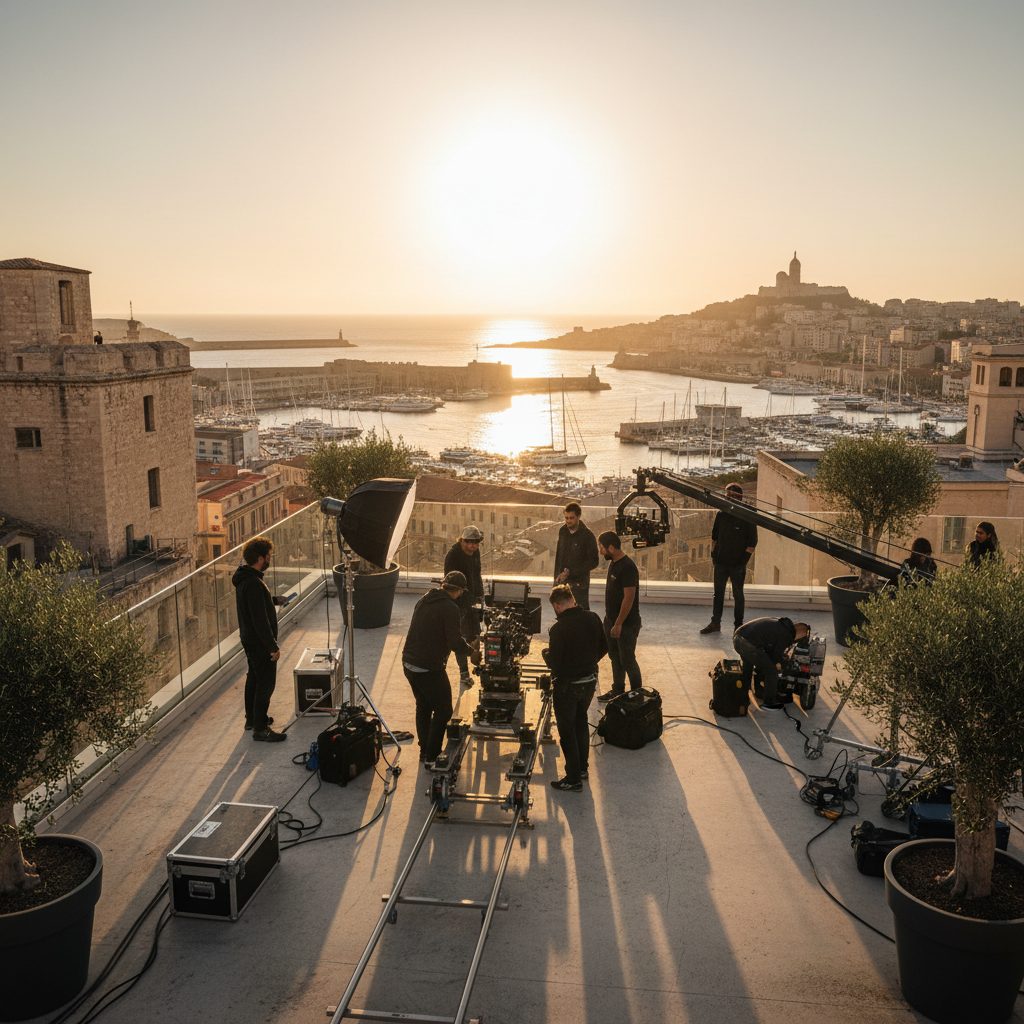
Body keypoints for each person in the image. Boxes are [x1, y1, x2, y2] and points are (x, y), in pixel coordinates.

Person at [402, 571, 479, 763]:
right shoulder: (450, 608)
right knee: (444, 710)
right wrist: (472, 652)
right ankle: (432, 754)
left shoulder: (424, 599)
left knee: (424, 705)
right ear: (459, 591)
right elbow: (454, 642)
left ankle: (424, 751)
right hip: (428, 668)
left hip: (409, 663)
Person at [544, 585, 607, 792]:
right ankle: (582, 769)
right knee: (581, 722)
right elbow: (604, 646)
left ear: (557, 606)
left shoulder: (558, 629)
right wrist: (588, 662)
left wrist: (547, 656)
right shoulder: (593, 618)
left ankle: (572, 778)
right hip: (589, 682)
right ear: (572, 599)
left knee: (567, 730)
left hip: (567, 687)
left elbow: (555, 664)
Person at [232, 536, 289, 742]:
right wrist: (272, 646)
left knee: (254, 678)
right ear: (260, 558)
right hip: (259, 642)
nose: (269, 559)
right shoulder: (254, 583)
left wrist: (273, 600)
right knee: (266, 683)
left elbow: (254, 604)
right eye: (268, 556)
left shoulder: (245, 578)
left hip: (249, 639)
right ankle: (261, 729)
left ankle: (253, 719)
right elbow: (260, 620)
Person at [700, 482, 757, 634]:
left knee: (738, 595)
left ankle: (739, 626)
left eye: (731, 495)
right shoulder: (721, 513)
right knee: (718, 594)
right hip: (721, 562)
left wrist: (742, 562)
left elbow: (752, 543)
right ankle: (715, 623)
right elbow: (714, 536)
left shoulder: (747, 515)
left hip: (737, 564)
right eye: (727, 495)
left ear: (740, 497)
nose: (728, 498)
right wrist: (714, 556)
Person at [596, 531, 643, 703]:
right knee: (615, 657)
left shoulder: (628, 567)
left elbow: (629, 598)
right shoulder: (614, 563)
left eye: (602, 547)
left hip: (626, 624)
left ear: (611, 548)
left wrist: (618, 624)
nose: (600, 551)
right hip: (612, 621)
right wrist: (610, 622)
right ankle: (618, 690)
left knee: (628, 660)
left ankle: (637, 696)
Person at [733, 617, 810, 710]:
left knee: (749, 666)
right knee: (771, 672)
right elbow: (775, 658)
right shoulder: (787, 635)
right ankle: (769, 703)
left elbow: (769, 647)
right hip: (748, 644)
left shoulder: (779, 623)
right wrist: (784, 662)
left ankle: (742, 696)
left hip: (738, 638)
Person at [444, 525, 485, 685]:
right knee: (459, 637)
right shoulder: (452, 556)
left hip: (472, 600)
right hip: (458, 602)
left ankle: (476, 664)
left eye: (476, 543)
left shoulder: (475, 553)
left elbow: (477, 574)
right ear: (462, 541)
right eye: (469, 543)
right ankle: (463, 673)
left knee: (475, 634)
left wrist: (480, 595)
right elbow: (450, 585)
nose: (473, 546)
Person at [553, 502, 600, 610]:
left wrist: (571, 572)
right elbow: (559, 557)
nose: (568, 521)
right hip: (562, 582)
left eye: (571, 518)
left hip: (579, 584)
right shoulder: (563, 531)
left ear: (578, 516)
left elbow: (594, 561)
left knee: (580, 612)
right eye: (566, 518)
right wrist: (556, 579)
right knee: (562, 612)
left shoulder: (588, 535)